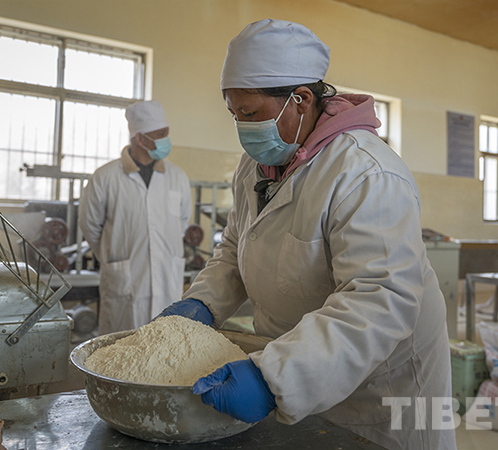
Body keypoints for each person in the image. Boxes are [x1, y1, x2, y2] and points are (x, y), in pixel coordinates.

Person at [157, 19, 456, 449]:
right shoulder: (256, 166)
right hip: (296, 362)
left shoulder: (366, 173)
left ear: (300, 99)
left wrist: (276, 377)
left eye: (250, 114)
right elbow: (238, 245)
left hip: (379, 387)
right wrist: (203, 302)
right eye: (234, 114)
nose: (242, 127)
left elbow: (379, 298)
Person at [80, 100, 191, 334]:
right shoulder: (105, 177)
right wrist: (114, 256)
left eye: (166, 133)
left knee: (165, 343)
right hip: (124, 283)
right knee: (123, 345)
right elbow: (90, 226)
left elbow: (182, 221)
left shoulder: (178, 177)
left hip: (167, 279)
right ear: (140, 138)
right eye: (160, 135)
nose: (166, 140)